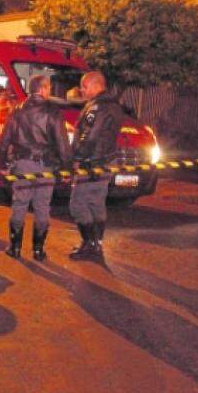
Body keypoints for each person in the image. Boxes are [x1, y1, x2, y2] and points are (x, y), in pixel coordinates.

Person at [0, 74, 72, 261]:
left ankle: (14, 248)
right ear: (44, 88)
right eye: (48, 88)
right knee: (42, 207)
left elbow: (4, 141)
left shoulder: (17, 110)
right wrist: (66, 170)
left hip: (22, 165)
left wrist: (3, 165)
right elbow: (63, 144)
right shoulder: (53, 112)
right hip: (45, 166)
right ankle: (38, 250)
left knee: (19, 205)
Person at [69, 71, 126, 263]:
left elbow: (89, 136)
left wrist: (77, 157)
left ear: (95, 85)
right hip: (105, 161)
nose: (82, 91)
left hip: (91, 162)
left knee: (78, 205)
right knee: (96, 203)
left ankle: (89, 244)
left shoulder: (97, 106)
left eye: (84, 87)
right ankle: (96, 244)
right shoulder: (114, 105)